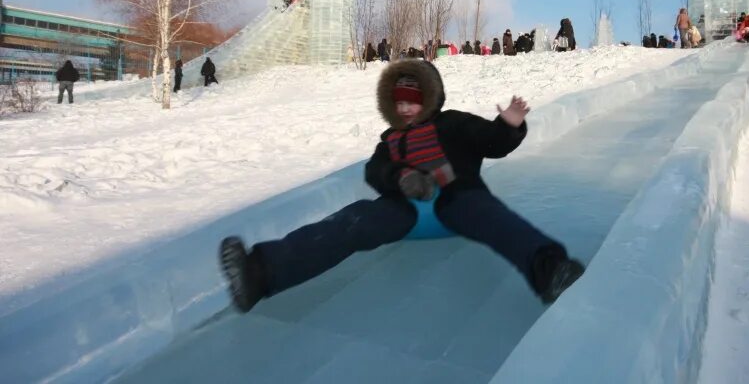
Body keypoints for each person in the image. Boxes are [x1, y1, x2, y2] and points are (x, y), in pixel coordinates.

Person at [218, 60, 586, 313]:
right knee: (354, 220)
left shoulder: (453, 124)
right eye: (401, 103)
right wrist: (401, 178)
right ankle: (261, 273)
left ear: (430, 99)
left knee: (492, 217)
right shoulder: (389, 140)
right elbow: (373, 171)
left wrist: (508, 125)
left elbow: (492, 142)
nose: (407, 109)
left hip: (457, 202)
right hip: (404, 211)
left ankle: (551, 270)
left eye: (414, 101)